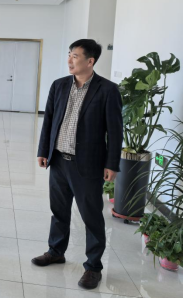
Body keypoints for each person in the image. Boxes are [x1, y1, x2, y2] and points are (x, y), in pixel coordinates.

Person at [32, 39, 122, 290]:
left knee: (91, 216)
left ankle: (93, 267)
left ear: (90, 61)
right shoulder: (59, 85)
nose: (70, 60)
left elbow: (115, 131)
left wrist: (112, 164)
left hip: (88, 165)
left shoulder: (107, 90)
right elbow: (49, 120)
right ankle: (56, 251)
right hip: (59, 161)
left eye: (75, 56)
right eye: (69, 55)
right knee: (59, 211)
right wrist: (43, 151)